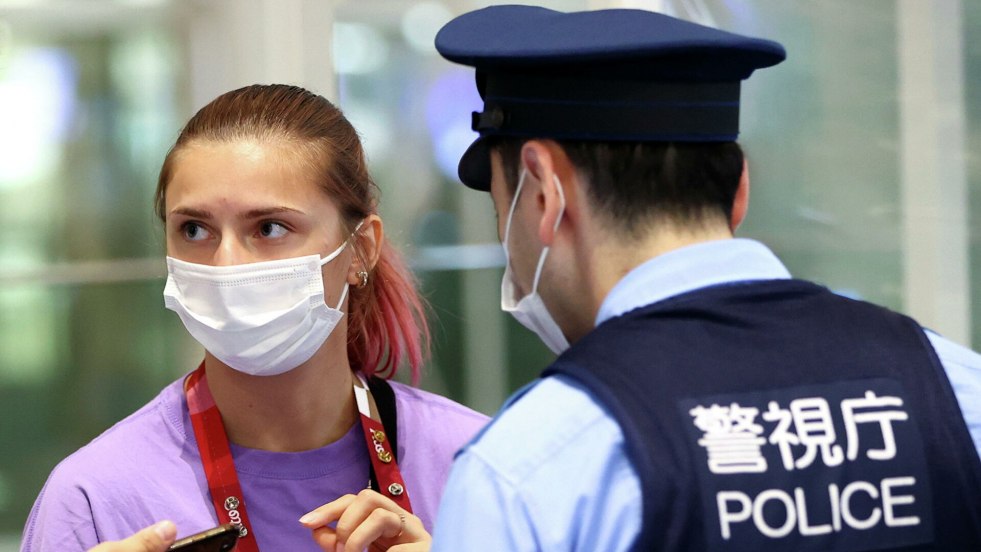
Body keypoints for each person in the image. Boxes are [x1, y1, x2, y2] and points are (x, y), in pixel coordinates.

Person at [306, 5, 981, 551]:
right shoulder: (952, 385)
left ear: (543, 192)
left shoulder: (537, 462)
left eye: (500, 202)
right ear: (738, 189)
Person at [21, 84, 488, 551]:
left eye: (269, 228)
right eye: (194, 229)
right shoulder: (94, 501)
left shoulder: (481, 467)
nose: (226, 265)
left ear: (360, 250)